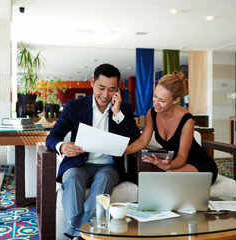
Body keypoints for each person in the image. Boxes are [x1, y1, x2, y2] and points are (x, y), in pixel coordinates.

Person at [46, 63, 140, 240]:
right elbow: (52, 136)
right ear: (92, 82)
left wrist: (117, 112)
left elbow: (135, 139)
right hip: (79, 164)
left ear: (117, 89)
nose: (105, 95)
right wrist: (62, 146)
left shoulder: (124, 108)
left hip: (109, 166)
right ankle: (82, 235)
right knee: (72, 178)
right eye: (101, 88)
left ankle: (77, 235)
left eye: (111, 89)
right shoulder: (74, 106)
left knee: (104, 179)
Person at [125, 72, 218, 184]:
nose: (156, 103)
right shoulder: (152, 113)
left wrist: (169, 165)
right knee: (163, 175)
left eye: (162, 100)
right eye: (155, 96)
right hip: (176, 164)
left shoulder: (186, 119)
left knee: (168, 175)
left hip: (200, 164)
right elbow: (143, 141)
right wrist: (124, 150)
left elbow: (182, 157)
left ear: (175, 100)